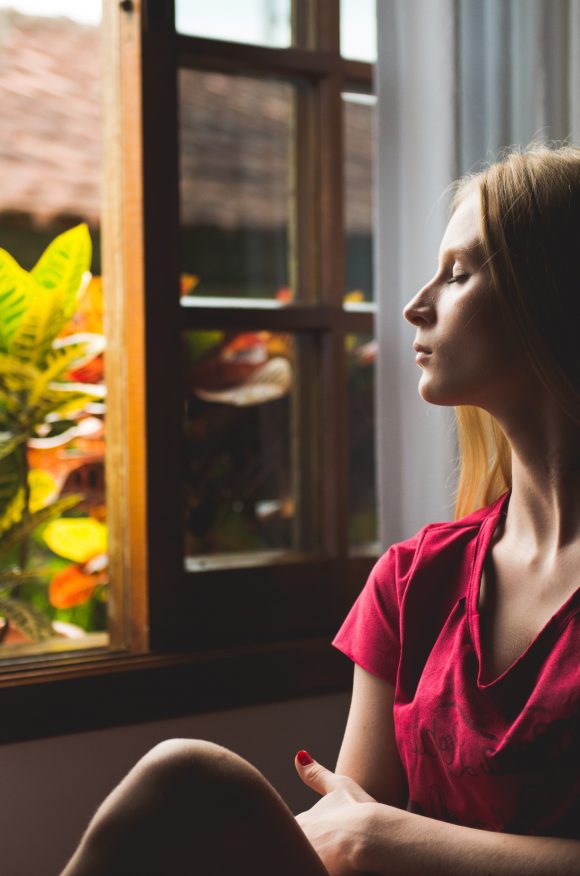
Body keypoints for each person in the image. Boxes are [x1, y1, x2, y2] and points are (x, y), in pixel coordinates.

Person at [61, 144, 580, 876]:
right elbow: (341, 842)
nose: (415, 304)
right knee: (186, 777)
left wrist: (384, 838)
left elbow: (361, 836)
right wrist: (363, 837)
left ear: (555, 296)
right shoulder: (415, 580)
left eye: (459, 273)